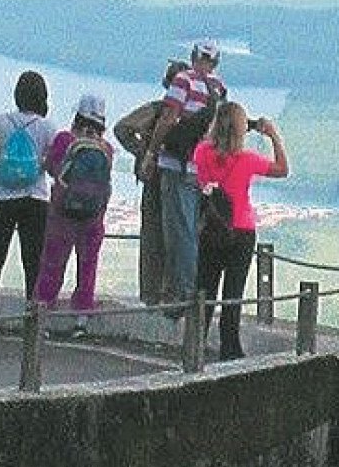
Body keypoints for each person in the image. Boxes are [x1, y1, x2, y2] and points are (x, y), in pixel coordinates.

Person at [192, 103, 289, 362]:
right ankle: (230, 350)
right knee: (232, 295)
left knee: (205, 291)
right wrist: (272, 135)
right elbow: (282, 169)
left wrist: (224, 126)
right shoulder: (247, 160)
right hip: (241, 232)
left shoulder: (202, 152)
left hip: (211, 229)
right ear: (240, 129)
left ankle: (194, 346)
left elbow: (205, 149)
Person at [140, 41, 227, 304]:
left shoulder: (184, 81)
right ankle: (189, 291)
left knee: (178, 232)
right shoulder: (218, 89)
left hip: (176, 165)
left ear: (193, 57)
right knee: (190, 229)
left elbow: (168, 118)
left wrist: (151, 153)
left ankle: (182, 295)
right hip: (201, 170)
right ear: (216, 62)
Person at [0, 70, 56, 330]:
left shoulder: (0, 121)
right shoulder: (47, 127)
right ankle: (34, 322)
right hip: (35, 198)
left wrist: (6, 163)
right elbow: (52, 163)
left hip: (1, 196)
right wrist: (33, 166)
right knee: (33, 263)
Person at [32, 93, 114, 332]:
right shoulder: (106, 148)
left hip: (62, 213)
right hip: (94, 217)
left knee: (52, 263)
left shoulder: (64, 140)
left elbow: (51, 168)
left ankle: (42, 313)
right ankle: (81, 317)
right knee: (88, 264)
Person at [113, 60, 188, 306]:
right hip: (181, 182)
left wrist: (144, 152)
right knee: (177, 237)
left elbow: (122, 128)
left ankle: (151, 294)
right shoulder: (194, 116)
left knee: (153, 237)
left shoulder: (157, 110)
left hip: (155, 178)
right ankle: (173, 294)